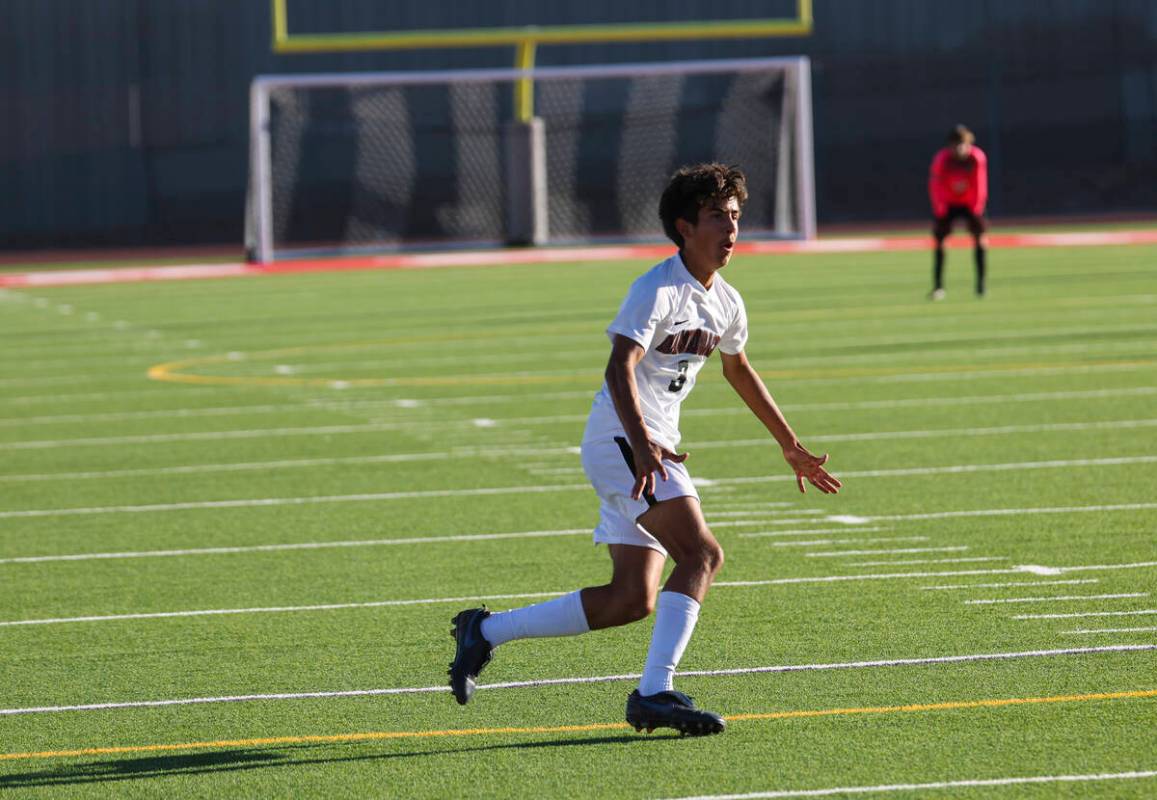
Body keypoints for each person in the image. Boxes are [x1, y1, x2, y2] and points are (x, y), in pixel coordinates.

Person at [447, 163, 841, 736]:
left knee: (631, 599)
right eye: (716, 217)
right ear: (684, 226)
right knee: (703, 555)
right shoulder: (656, 288)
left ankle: (483, 632)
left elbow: (739, 370)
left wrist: (791, 446)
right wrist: (643, 444)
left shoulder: (726, 301)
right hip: (625, 442)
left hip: (644, 448)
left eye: (735, 216)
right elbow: (618, 365)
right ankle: (654, 693)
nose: (730, 229)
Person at [928, 124, 989, 300]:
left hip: (970, 203)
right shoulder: (942, 159)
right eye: (956, 145)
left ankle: (981, 285)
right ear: (950, 146)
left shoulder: (976, 158)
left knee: (980, 239)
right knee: (940, 241)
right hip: (948, 203)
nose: (959, 149)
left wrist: (976, 208)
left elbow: (980, 183)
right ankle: (938, 286)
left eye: (963, 144)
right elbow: (935, 184)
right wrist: (940, 207)